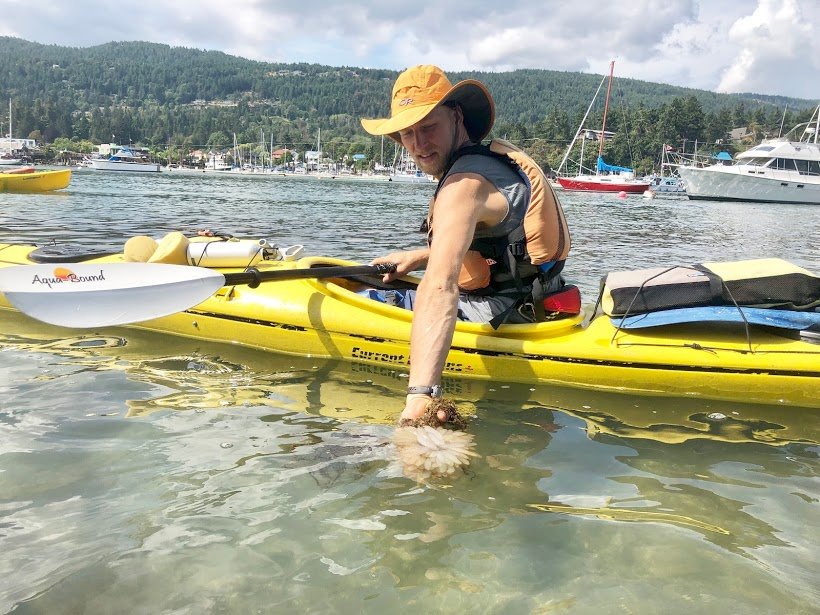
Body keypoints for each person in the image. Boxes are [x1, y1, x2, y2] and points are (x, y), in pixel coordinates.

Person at [360, 65, 570, 424]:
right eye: (408, 133)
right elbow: (494, 252)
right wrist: (420, 256)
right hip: (534, 300)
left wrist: (420, 397)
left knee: (368, 299)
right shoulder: (489, 167)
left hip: (500, 314)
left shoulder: (462, 186)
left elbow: (441, 285)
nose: (419, 144)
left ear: (456, 117)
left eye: (429, 127)